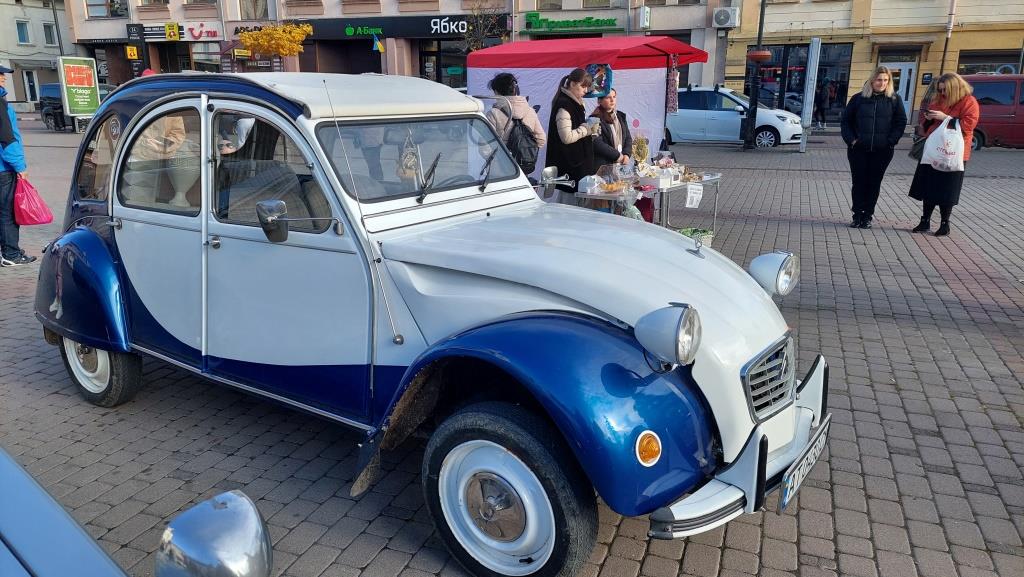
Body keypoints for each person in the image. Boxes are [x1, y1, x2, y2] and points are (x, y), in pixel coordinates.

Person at [908, 72, 979, 237]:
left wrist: (946, 118)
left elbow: (968, 126)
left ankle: (945, 223)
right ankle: (925, 220)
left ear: (955, 88)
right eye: (940, 90)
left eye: (945, 90)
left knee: (948, 189)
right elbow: (928, 124)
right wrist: (929, 118)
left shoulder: (969, 102)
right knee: (929, 186)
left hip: (953, 153)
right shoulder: (939, 100)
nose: (942, 93)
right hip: (933, 150)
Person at [840, 66, 907, 229]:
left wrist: (891, 141)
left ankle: (867, 216)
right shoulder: (858, 99)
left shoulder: (894, 100)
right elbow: (846, 121)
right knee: (859, 182)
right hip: (859, 149)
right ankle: (857, 215)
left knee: (874, 183)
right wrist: (852, 140)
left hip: (882, 150)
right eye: (879, 80)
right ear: (872, 80)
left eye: (885, 80)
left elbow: (901, 122)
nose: (882, 83)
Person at [591, 89, 651, 221]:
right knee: (603, 207)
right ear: (599, 101)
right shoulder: (594, 119)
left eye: (614, 97)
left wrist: (627, 155)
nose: (612, 100)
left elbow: (628, 138)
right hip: (601, 171)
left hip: (618, 170)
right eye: (608, 97)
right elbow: (597, 143)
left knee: (620, 206)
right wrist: (618, 156)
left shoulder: (621, 116)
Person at [547, 68, 599, 205]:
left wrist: (590, 133)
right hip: (571, 167)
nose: (585, 90)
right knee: (569, 207)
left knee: (575, 205)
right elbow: (566, 137)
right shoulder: (564, 105)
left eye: (587, 87)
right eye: (583, 86)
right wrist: (586, 129)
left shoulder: (574, 103)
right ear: (572, 84)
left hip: (577, 165)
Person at [0, 64, 35, 266]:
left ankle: (6, 251)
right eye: (1, 75)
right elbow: (7, 139)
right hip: (4, 169)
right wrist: (20, 167)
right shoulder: (0, 103)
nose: (4, 78)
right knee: (7, 212)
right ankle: (11, 255)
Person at [486, 72, 547, 160]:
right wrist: (524, 152)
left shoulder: (493, 114)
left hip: (501, 167)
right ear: (515, 90)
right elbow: (541, 139)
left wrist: (498, 161)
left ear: (496, 92)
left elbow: (485, 147)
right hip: (524, 166)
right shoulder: (530, 111)